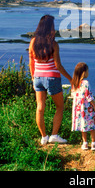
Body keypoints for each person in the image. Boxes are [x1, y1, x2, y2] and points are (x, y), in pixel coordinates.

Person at [29, 15, 72, 145]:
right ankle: (54, 135)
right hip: (52, 77)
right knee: (60, 106)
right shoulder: (53, 44)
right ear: (49, 28)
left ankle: (43, 137)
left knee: (40, 108)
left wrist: (33, 78)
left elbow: (31, 63)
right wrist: (71, 79)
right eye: (53, 26)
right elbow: (58, 66)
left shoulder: (33, 42)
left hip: (37, 78)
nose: (55, 29)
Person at [71, 62, 95, 151]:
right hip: (86, 108)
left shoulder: (74, 83)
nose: (88, 72)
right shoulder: (86, 83)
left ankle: (85, 143)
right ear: (84, 72)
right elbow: (89, 96)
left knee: (83, 125)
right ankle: (94, 143)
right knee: (92, 124)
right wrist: (94, 106)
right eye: (87, 71)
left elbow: (73, 95)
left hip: (78, 108)